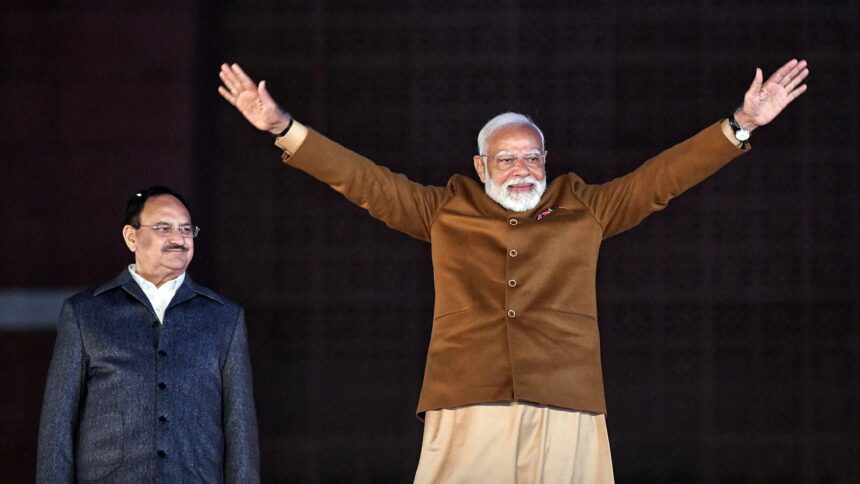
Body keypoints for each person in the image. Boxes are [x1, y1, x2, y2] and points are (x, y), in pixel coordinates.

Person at [218, 58, 808, 483]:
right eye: (507, 158)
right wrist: (281, 127)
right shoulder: (445, 208)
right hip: (468, 399)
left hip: (567, 398)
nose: (522, 167)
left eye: (532, 157)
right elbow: (365, 182)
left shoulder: (586, 206)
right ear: (481, 165)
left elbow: (662, 179)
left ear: (547, 162)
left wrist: (741, 124)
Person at [36, 186, 260, 483]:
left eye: (186, 229)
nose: (179, 239)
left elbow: (240, 427)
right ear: (132, 237)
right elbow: (57, 427)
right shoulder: (85, 314)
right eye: (164, 228)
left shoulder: (224, 318)